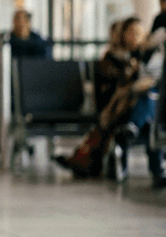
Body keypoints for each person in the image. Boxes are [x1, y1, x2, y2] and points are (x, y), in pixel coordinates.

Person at [57, 17, 164, 187]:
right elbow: (116, 89)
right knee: (150, 120)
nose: (134, 36)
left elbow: (153, 81)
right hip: (122, 109)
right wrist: (132, 83)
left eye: (138, 33)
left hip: (140, 109)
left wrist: (134, 86)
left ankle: (135, 136)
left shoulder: (148, 55)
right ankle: (156, 170)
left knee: (149, 103)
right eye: (130, 32)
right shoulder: (115, 58)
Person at [0, 9, 53, 149]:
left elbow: (47, 69)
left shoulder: (39, 43)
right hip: (4, 89)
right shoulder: (3, 40)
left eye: (22, 19)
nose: (18, 23)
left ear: (29, 22)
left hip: (32, 91)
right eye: (15, 19)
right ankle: (0, 141)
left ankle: (22, 141)